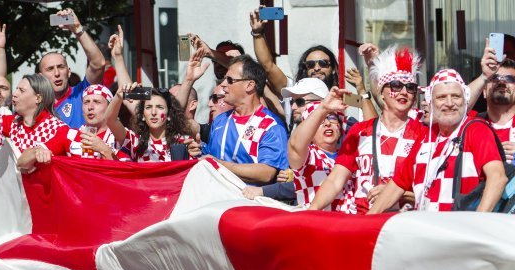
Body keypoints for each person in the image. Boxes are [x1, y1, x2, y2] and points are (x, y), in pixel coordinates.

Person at [369, 69, 507, 213]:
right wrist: (368, 219)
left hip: (460, 230)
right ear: (430, 102)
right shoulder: (425, 137)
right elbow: (397, 185)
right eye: (441, 97)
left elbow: (497, 178)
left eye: (456, 96)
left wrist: (477, 223)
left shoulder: (476, 129)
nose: (449, 103)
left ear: (465, 98)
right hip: (428, 229)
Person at [309, 45, 426, 214]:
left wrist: (400, 194)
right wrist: (312, 210)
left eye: (410, 88)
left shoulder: (423, 135)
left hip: (403, 223)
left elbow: (430, 191)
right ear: (381, 91)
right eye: (395, 85)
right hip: (363, 221)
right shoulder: (360, 131)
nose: (404, 92)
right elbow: (335, 180)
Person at [249, 97, 353, 210]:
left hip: (350, 222)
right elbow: (294, 146)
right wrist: (323, 108)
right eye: (321, 121)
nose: (327, 124)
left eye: (332, 118)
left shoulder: (351, 154)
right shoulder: (309, 156)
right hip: (319, 222)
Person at [199, 55, 288, 184]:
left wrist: (219, 164)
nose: (223, 84)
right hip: (217, 198)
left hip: (249, 200)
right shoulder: (220, 121)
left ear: (249, 85)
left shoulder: (270, 125)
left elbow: (266, 173)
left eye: (230, 80)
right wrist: (197, 151)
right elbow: (209, 156)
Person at [19, 84, 118, 171]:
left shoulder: (121, 136)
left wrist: (104, 150)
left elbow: (126, 176)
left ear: (110, 107)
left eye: (96, 102)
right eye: (86, 102)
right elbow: (21, 162)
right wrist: (37, 152)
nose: (90, 107)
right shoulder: (69, 134)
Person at [37, 9, 106, 128]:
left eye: (61, 67)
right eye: (50, 69)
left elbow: (98, 63)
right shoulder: (34, 106)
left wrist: (78, 29)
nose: (57, 73)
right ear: (41, 77)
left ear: (69, 72)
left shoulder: (82, 93)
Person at [104, 84, 192, 162]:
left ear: (169, 115)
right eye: (148, 107)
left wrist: (193, 152)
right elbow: (110, 120)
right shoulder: (135, 142)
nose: (153, 112)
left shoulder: (182, 142)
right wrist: (119, 96)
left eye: (160, 107)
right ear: (142, 115)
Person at [480, 59, 515, 161]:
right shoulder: (472, 124)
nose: (502, 81)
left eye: (510, 79)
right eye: (494, 78)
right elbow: (461, 101)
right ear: (484, 91)